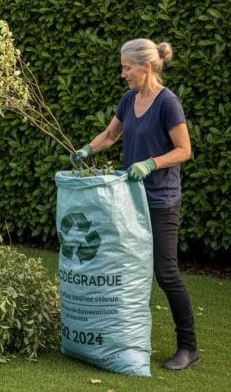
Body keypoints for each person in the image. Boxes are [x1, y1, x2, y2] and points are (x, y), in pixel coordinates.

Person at [71, 38, 197, 370]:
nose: (123, 74)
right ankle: (120, 338)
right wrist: (86, 149)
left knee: (166, 273)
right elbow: (111, 135)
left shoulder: (168, 103)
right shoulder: (129, 100)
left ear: (147, 66)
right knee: (124, 268)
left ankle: (189, 347)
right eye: (123, 67)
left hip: (159, 200)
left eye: (127, 67)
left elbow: (184, 150)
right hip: (129, 199)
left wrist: (152, 163)